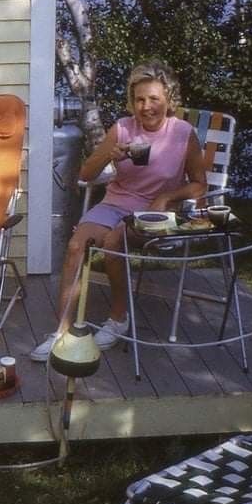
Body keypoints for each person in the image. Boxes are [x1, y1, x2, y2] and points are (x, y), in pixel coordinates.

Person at [29, 60, 206, 362]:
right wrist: (110, 155)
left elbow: (200, 185)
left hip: (153, 214)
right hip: (115, 203)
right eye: (139, 99)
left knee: (113, 243)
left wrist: (168, 197)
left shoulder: (182, 133)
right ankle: (62, 331)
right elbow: (85, 174)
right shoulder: (123, 128)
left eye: (154, 99)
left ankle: (118, 318)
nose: (146, 107)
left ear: (169, 99)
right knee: (76, 246)